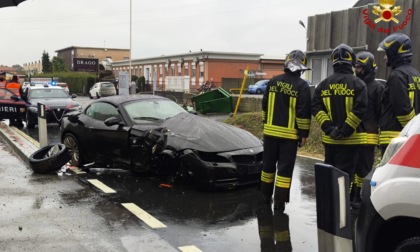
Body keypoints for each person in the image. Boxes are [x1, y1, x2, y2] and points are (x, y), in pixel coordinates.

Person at [260, 50, 312, 211]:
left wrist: (266, 123)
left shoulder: (273, 81)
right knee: (284, 170)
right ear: (302, 67)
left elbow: (264, 105)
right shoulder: (302, 86)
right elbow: (303, 113)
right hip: (289, 137)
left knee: (267, 167)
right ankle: (279, 203)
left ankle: (264, 197)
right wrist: (303, 134)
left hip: (269, 134)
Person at [311, 44, 367, 192]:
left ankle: (329, 206)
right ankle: (341, 209)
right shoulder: (359, 84)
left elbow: (316, 109)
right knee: (344, 176)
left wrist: (330, 129)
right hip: (351, 140)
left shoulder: (322, 85)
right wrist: (344, 131)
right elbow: (359, 110)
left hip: (330, 140)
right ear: (352, 62)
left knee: (330, 171)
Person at [377, 33, 420, 156]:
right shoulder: (416, 75)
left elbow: (402, 108)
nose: (385, 58)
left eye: (387, 54)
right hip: (410, 138)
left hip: (395, 139)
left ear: (394, 53)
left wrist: (409, 131)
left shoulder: (397, 75)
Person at [351, 51, 384, 208]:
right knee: (355, 167)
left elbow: (380, 113)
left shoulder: (376, 88)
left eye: (359, 68)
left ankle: (358, 197)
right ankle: (353, 196)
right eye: (356, 67)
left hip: (368, 136)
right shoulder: (356, 85)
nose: (356, 70)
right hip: (354, 135)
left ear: (369, 68)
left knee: (363, 169)